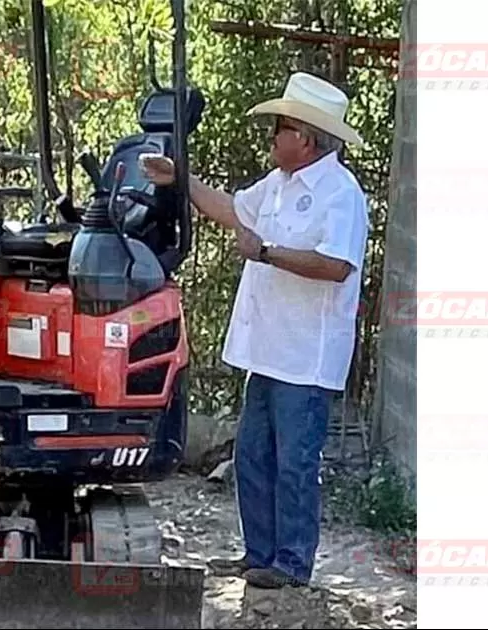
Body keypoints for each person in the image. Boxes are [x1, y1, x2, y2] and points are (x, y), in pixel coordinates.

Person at [139, 72, 369, 589]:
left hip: (305, 357)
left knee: (294, 464)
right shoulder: (279, 185)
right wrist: (179, 177)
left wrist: (267, 253)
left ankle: (291, 563)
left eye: (279, 128)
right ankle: (259, 553)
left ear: (305, 137)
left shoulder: (340, 194)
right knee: (253, 458)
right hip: (267, 350)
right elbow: (232, 209)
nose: (272, 138)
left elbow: (336, 264)